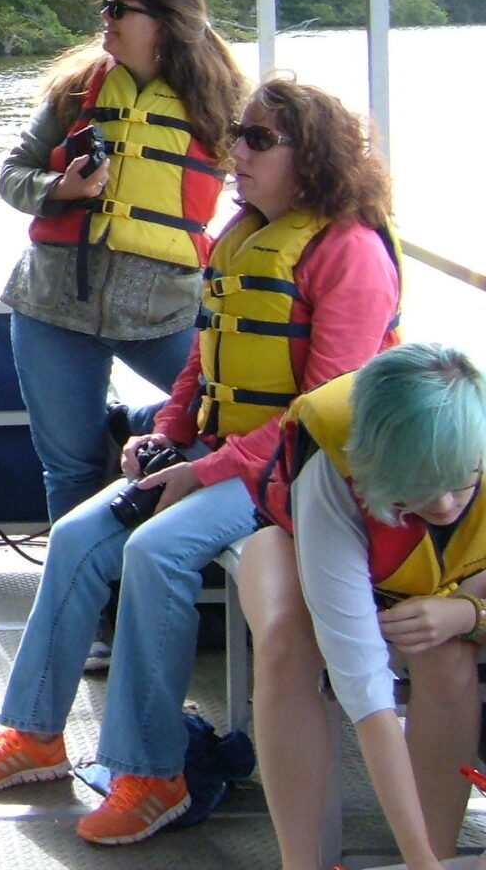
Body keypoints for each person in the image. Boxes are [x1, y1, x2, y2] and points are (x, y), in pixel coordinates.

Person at [0, 78, 398, 847]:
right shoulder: (244, 233)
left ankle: (154, 772)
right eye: (237, 135)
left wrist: (207, 470)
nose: (235, 153)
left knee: (158, 549)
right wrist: (167, 430)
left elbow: (322, 411)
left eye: (257, 140)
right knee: (80, 536)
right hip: (220, 451)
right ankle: (34, 734)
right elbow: (203, 359)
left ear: (309, 156)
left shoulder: (349, 253)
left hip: (300, 474)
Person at [0, 0, 246, 527]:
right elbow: (13, 174)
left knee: (228, 416)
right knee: (70, 467)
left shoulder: (221, 101)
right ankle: (84, 607)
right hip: (54, 305)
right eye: (104, 7)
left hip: (165, 308)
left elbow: (269, 189)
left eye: (118, 9)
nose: (104, 19)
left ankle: (133, 425)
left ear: (165, 20)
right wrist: (59, 187)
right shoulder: (74, 92)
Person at [239, 342, 485, 870]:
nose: (441, 505)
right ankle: (301, 864)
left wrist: (468, 613)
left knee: (447, 656)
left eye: (460, 481)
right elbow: (365, 688)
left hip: (457, 584)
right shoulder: (333, 460)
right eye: (418, 489)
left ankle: (434, 854)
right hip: (299, 547)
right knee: (285, 641)